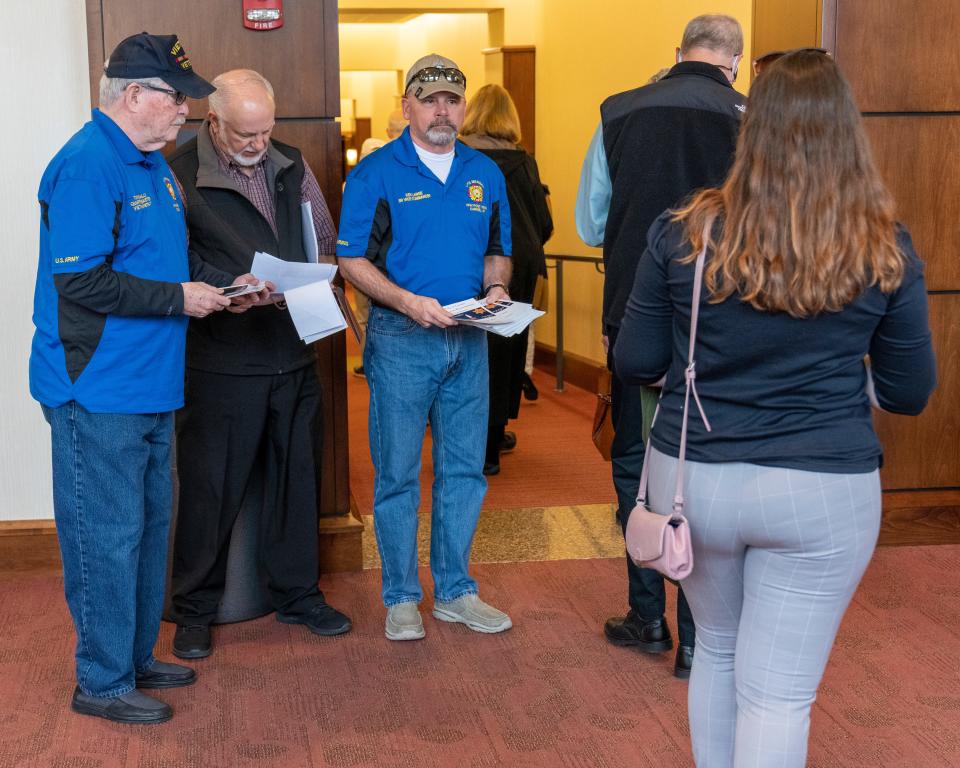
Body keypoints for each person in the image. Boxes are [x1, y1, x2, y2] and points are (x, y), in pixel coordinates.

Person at [615, 50, 936, 766]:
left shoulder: (684, 233)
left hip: (693, 480)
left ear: (749, 130)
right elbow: (910, 393)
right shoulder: (883, 246)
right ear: (847, 134)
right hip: (820, 489)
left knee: (719, 654)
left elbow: (634, 362)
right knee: (778, 696)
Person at [29, 32, 258, 724]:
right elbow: (81, 280)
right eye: (177, 98)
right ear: (134, 96)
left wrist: (228, 284)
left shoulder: (154, 165)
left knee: (148, 526)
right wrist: (179, 299)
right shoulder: (88, 163)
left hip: (154, 381)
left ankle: (133, 659)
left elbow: (171, 259)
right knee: (106, 533)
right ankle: (99, 682)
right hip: (96, 386)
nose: (186, 111)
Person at [575, 14, 747, 679]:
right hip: (726, 330)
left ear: (676, 54)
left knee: (636, 468)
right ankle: (702, 638)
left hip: (637, 321)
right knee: (712, 472)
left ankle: (646, 615)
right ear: (733, 61)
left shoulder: (619, 111)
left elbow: (592, 221)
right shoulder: (751, 118)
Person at [166, 69, 350, 660]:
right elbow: (175, 257)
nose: (257, 144)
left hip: (292, 352)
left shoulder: (292, 162)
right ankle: (195, 610)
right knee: (209, 492)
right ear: (212, 122)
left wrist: (319, 274)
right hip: (221, 361)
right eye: (245, 134)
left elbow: (322, 239)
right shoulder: (178, 174)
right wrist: (230, 285)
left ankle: (298, 595)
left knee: (297, 482)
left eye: (266, 131)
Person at [337, 54, 513, 641]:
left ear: (464, 107)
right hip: (401, 339)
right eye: (430, 99)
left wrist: (495, 287)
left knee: (464, 469)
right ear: (407, 105)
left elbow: (497, 248)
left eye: (452, 100)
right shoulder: (375, 172)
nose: (442, 110)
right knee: (396, 474)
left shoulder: (484, 172)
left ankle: (456, 590)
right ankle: (401, 596)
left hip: (470, 339)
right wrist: (407, 301)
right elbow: (351, 259)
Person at [460, 84, 553, 475]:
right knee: (507, 350)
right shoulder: (523, 161)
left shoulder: (459, 157)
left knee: (468, 347)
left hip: (470, 260)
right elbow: (543, 222)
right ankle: (493, 440)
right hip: (519, 262)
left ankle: (468, 439)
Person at [351, 108, 407, 378]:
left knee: (366, 316)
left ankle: (369, 363)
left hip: (374, 265)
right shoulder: (387, 167)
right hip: (389, 268)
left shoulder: (371, 168)